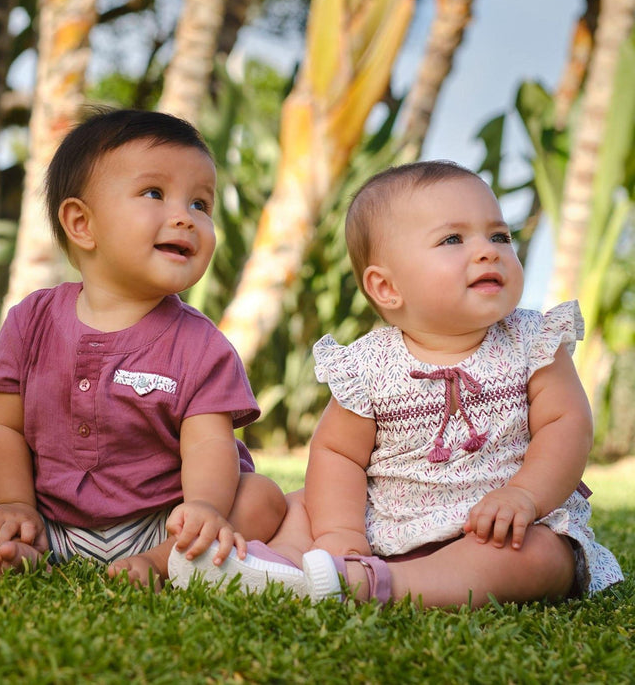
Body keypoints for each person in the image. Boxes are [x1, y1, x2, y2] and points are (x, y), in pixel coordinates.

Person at [168, 161, 624, 607]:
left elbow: (567, 425)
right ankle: (283, 567)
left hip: (497, 525)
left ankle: (387, 584)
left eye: (499, 236)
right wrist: (341, 532)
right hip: (384, 518)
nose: (489, 251)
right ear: (387, 288)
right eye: (452, 239)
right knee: (300, 505)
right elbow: (338, 454)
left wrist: (525, 494)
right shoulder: (368, 363)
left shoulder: (533, 340)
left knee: (542, 557)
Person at [0, 108, 286, 587]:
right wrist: (13, 503)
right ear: (82, 223)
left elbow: (209, 442)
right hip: (49, 519)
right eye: (154, 194)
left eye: (201, 204)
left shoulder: (201, 345)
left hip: (162, 523)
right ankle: (16, 551)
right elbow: (2, 425)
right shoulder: (32, 320)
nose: (185, 217)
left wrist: (202, 508)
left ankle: (161, 563)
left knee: (261, 498)